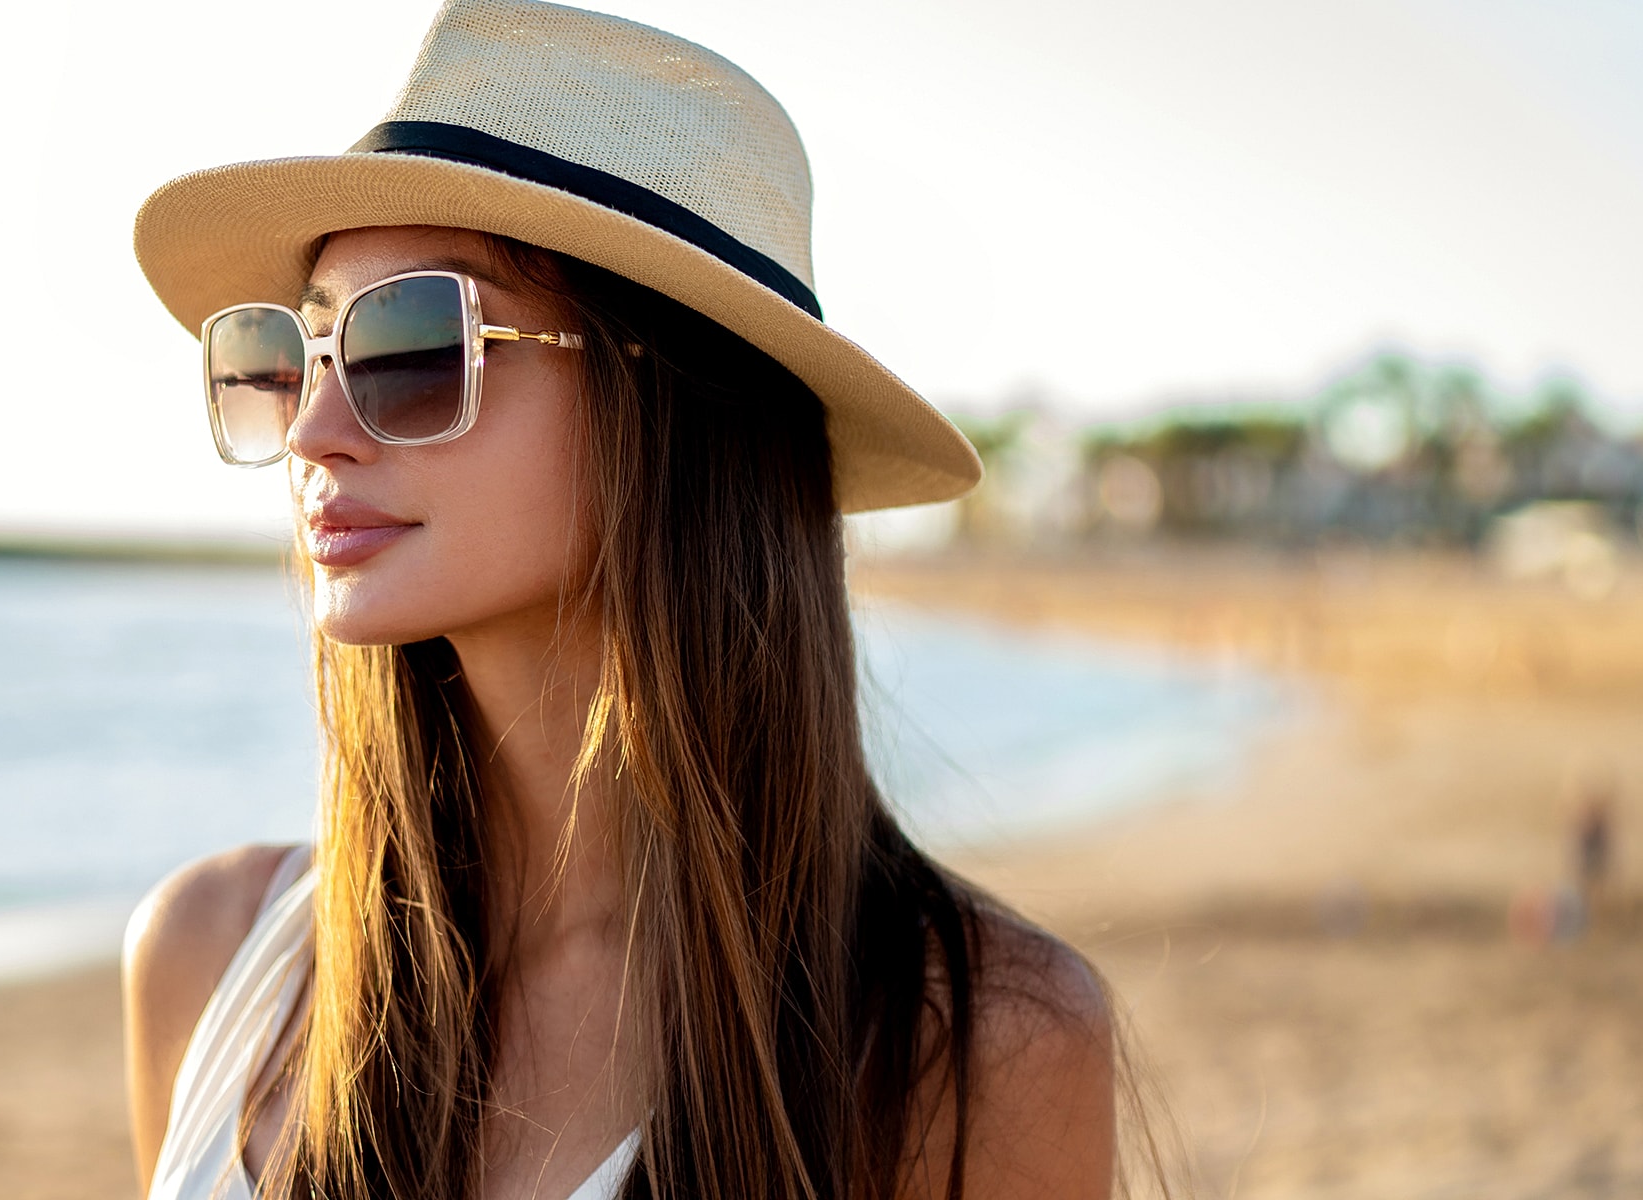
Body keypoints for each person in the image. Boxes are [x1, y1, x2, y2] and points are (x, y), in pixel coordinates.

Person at [122, 3, 1120, 1197]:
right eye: (303, 351)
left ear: (676, 407)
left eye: (414, 342)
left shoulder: (973, 1046)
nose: (315, 431)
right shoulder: (212, 954)